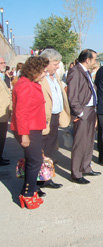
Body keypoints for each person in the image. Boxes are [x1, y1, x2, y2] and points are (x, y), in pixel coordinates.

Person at [10, 56, 49, 209]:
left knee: (34, 160)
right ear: (34, 71)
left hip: (34, 127)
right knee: (34, 162)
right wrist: (24, 135)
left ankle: (30, 190)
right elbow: (21, 113)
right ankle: (26, 194)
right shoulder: (25, 85)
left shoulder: (31, 83)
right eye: (43, 71)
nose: (44, 74)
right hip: (28, 129)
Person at [67, 49, 101, 184]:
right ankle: (76, 173)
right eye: (94, 59)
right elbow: (72, 95)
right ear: (87, 60)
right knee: (80, 143)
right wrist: (79, 112)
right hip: (83, 111)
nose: (95, 62)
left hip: (91, 110)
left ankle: (86, 167)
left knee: (89, 141)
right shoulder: (75, 71)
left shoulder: (86, 71)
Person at [38, 48, 71, 190]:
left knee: (50, 149)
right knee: (41, 151)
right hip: (44, 119)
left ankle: (47, 178)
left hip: (55, 117)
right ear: (46, 62)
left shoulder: (54, 76)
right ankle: (37, 182)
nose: (58, 66)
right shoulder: (39, 77)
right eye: (56, 63)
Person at [0, 57, 11, 166]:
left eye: (4, 62)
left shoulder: (2, 76)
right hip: (0, 112)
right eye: (1, 63)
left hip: (3, 112)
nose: (4, 64)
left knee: (2, 136)